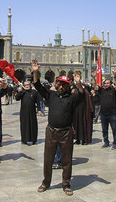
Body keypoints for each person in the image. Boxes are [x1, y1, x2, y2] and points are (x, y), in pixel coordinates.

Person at [32, 59, 84, 196]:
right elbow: (37, 85)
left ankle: (66, 184)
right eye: (60, 84)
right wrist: (36, 72)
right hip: (51, 131)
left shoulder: (71, 98)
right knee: (48, 159)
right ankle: (46, 182)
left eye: (65, 85)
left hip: (66, 132)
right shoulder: (51, 95)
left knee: (66, 160)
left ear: (68, 86)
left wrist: (78, 82)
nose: (62, 87)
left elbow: (82, 94)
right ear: (56, 83)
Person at [93, 74, 116, 150]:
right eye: (105, 83)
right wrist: (94, 77)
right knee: (104, 129)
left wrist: (115, 78)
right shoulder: (102, 90)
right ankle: (106, 142)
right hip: (103, 113)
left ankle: (115, 143)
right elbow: (95, 86)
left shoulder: (113, 90)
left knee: (114, 129)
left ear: (111, 84)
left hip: (112, 113)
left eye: (108, 83)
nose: (106, 84)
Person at [15, 80, 41, 145]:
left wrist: (39, 109)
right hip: (24, 112)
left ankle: (34, 140)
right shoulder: (22, 92)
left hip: (32, 112)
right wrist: (21, 91)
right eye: (25, 85)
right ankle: (24, 140)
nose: (27, 86)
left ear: (30, 85)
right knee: (24, 125)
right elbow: (17, 98)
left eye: (28, 84)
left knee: (33, 125)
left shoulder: (34, 92)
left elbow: (38, 101)